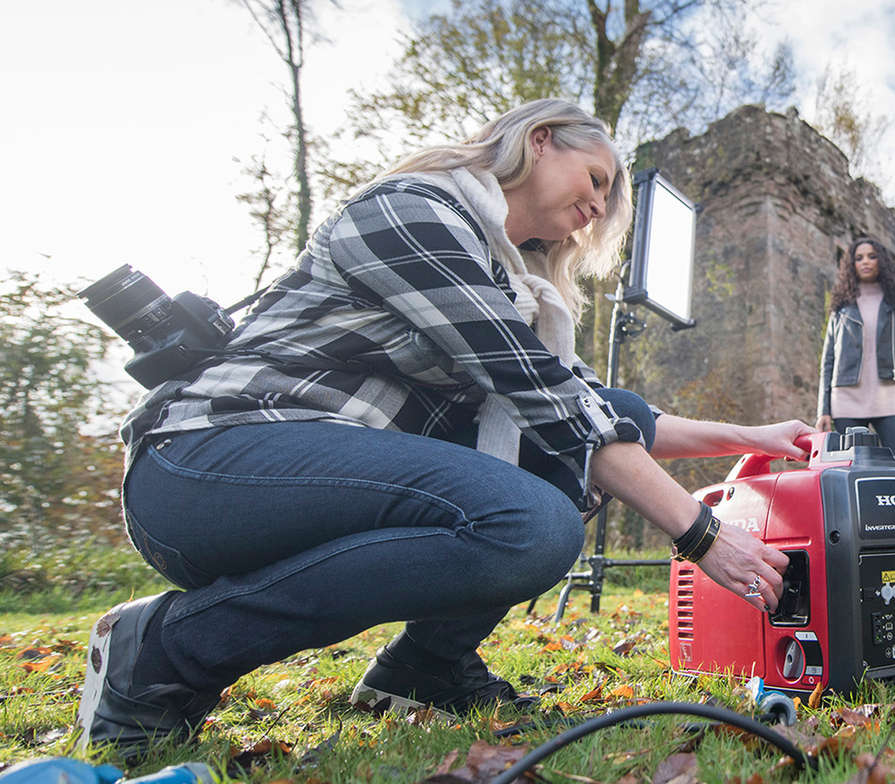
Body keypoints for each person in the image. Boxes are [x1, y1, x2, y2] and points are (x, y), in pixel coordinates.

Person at [77, 98, 813, 754]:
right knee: (532, 521)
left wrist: (755, 439)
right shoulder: (411, 210)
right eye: (595, 179)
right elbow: (543, 392)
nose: (598, 205)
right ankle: (166, 651)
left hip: (330, 472)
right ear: (541, 140)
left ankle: (423, 667)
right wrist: (700, 534)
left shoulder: (514, 287)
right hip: (209, 467)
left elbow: (602, 411)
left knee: (562, 469)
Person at [816, 236, 895, 468]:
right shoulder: (841, 308)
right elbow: (828, 361)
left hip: (892, 399)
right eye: (859, 258)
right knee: (851, 473)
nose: (865, 262)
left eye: (872, 256)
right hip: (846, 400)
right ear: (851, 264)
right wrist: (823, 410)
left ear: (882, 262)